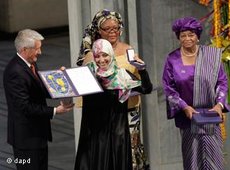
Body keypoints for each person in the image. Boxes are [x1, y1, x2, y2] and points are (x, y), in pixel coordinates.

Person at [76, 9, 149, 169]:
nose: (112, 32)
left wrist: (137, 77)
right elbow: (86, 88)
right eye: (107, 29)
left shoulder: (128, 49)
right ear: (98, 31)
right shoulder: (92, 55)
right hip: (104, 113)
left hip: (129, 108)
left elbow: (139, 80)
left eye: (115, 28)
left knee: (129, 151)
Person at [162, 17, 229, 170]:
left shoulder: (211, 56)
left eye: (191, 34)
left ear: (198, 36)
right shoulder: (172, 59)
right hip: (188, 118)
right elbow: (168, 87)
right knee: (192, 160)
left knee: (214, 159)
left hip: (210, 116)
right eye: (183, 35)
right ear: (178, 37)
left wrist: (219, 104)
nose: (187, 38)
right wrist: (184, 107)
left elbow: (222, 82)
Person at [3, 29, 74, 170]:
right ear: (24, 49)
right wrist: (55, 110)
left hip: (37, 135)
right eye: (37, 48)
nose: (40, 52)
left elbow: (40, 88)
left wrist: (59, 79)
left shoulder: (30, 63)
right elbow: (24, 107)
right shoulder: (15, 72)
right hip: (26, 140)